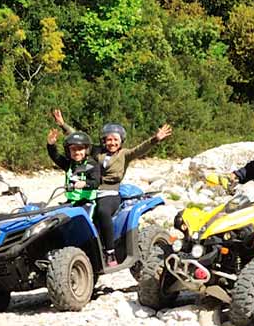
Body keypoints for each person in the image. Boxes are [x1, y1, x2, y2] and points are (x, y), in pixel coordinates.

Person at [51, 110, 173, 266]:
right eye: (109, 140)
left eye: (115, 140)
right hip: (90, 191)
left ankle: (110, 252)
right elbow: (80, 140)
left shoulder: (124, 154)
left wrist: (155, 139)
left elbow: (140, 149)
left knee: (102, 212)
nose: (112, 143)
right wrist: (63, 125)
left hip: (110, 192)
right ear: (103, 141)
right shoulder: (97, 152)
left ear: (121, 141)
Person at [46, 130, 103, 208]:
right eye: (73, 149)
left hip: (86, 202)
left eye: (80, 149)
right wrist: (51, 144)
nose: (77, 152)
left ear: (86, 150)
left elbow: (96, 182)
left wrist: (85, 183)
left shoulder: (92, 165)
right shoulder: (68, 164)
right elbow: (55, 156)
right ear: (68, 151)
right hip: (70, 202)